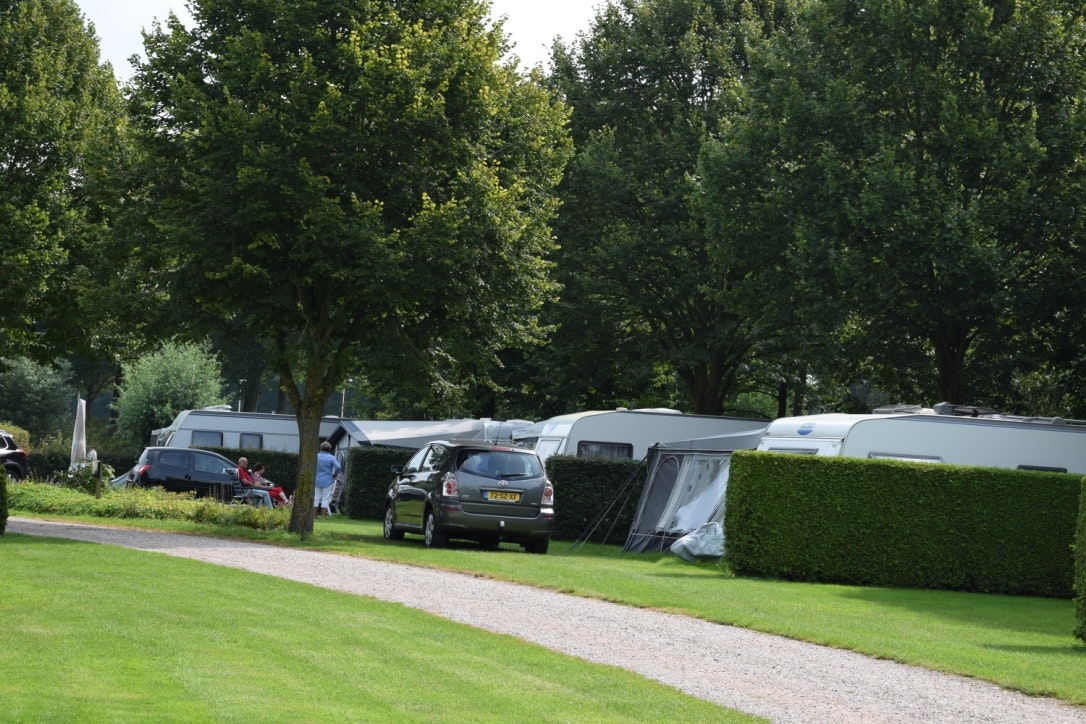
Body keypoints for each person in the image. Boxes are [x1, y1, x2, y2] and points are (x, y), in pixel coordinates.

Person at [314, 441, 341, 518]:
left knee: (316, 497)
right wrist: (335, 474)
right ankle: (324, 516)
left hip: (316, 479)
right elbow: (338, 467)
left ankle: (314, 516)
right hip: (328, 480)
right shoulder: (331, 457)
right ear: (329, 449)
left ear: (321, 448)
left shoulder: (316, 456)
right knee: (325, 498)